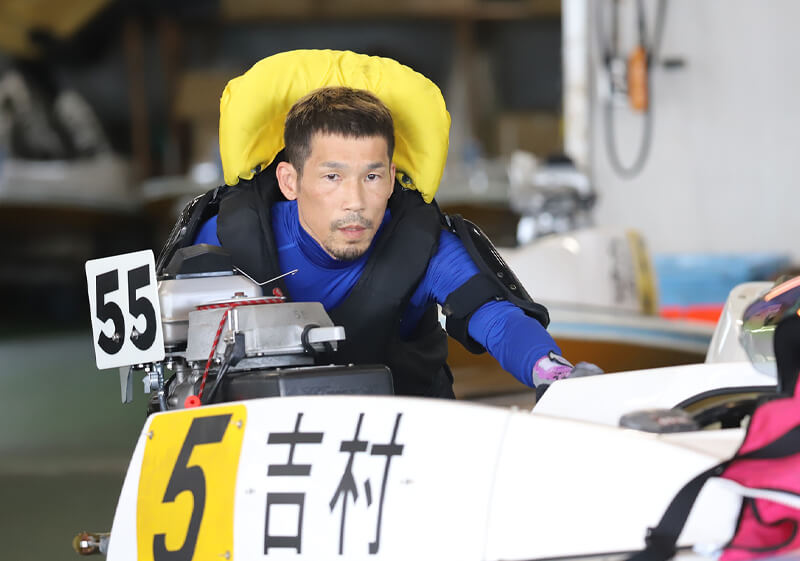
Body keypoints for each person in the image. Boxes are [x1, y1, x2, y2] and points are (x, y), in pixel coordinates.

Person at [185, 81, 597, 398]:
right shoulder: (227, 240)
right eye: (333, 176)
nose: (355, 201)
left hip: (402, 447)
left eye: (372, 176)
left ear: (391, 178)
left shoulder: (421, 244)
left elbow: (497, 317)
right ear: (290, 181)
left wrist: (554, 373)